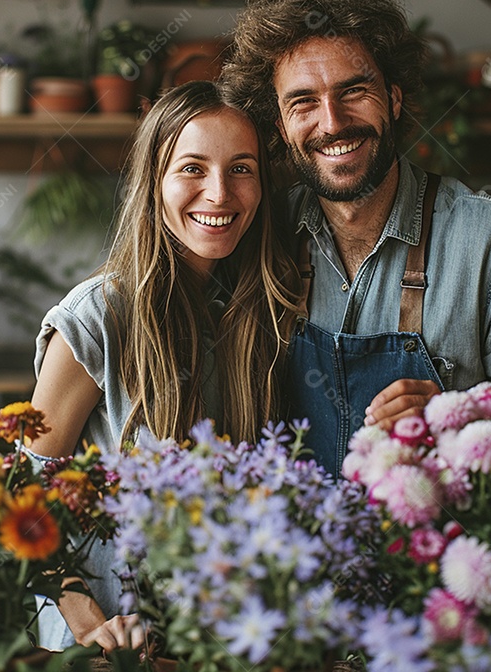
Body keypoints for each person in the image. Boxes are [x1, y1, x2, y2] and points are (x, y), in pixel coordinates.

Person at [220, 0, 491, 477]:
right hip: (291, 528)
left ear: (393, 98)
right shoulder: (260, 232)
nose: (332, 122)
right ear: (281, 126)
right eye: (303, 102)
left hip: (438, 528)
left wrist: (457, 419)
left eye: (354, 90)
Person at [27, 80, 300, 650]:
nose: (219, 193)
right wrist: (88, 624)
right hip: (112, 645)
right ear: (154, 181)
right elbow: (26, 500)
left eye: (241, 169)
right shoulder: (97, 317)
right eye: (192, 168)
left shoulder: (258, 316)